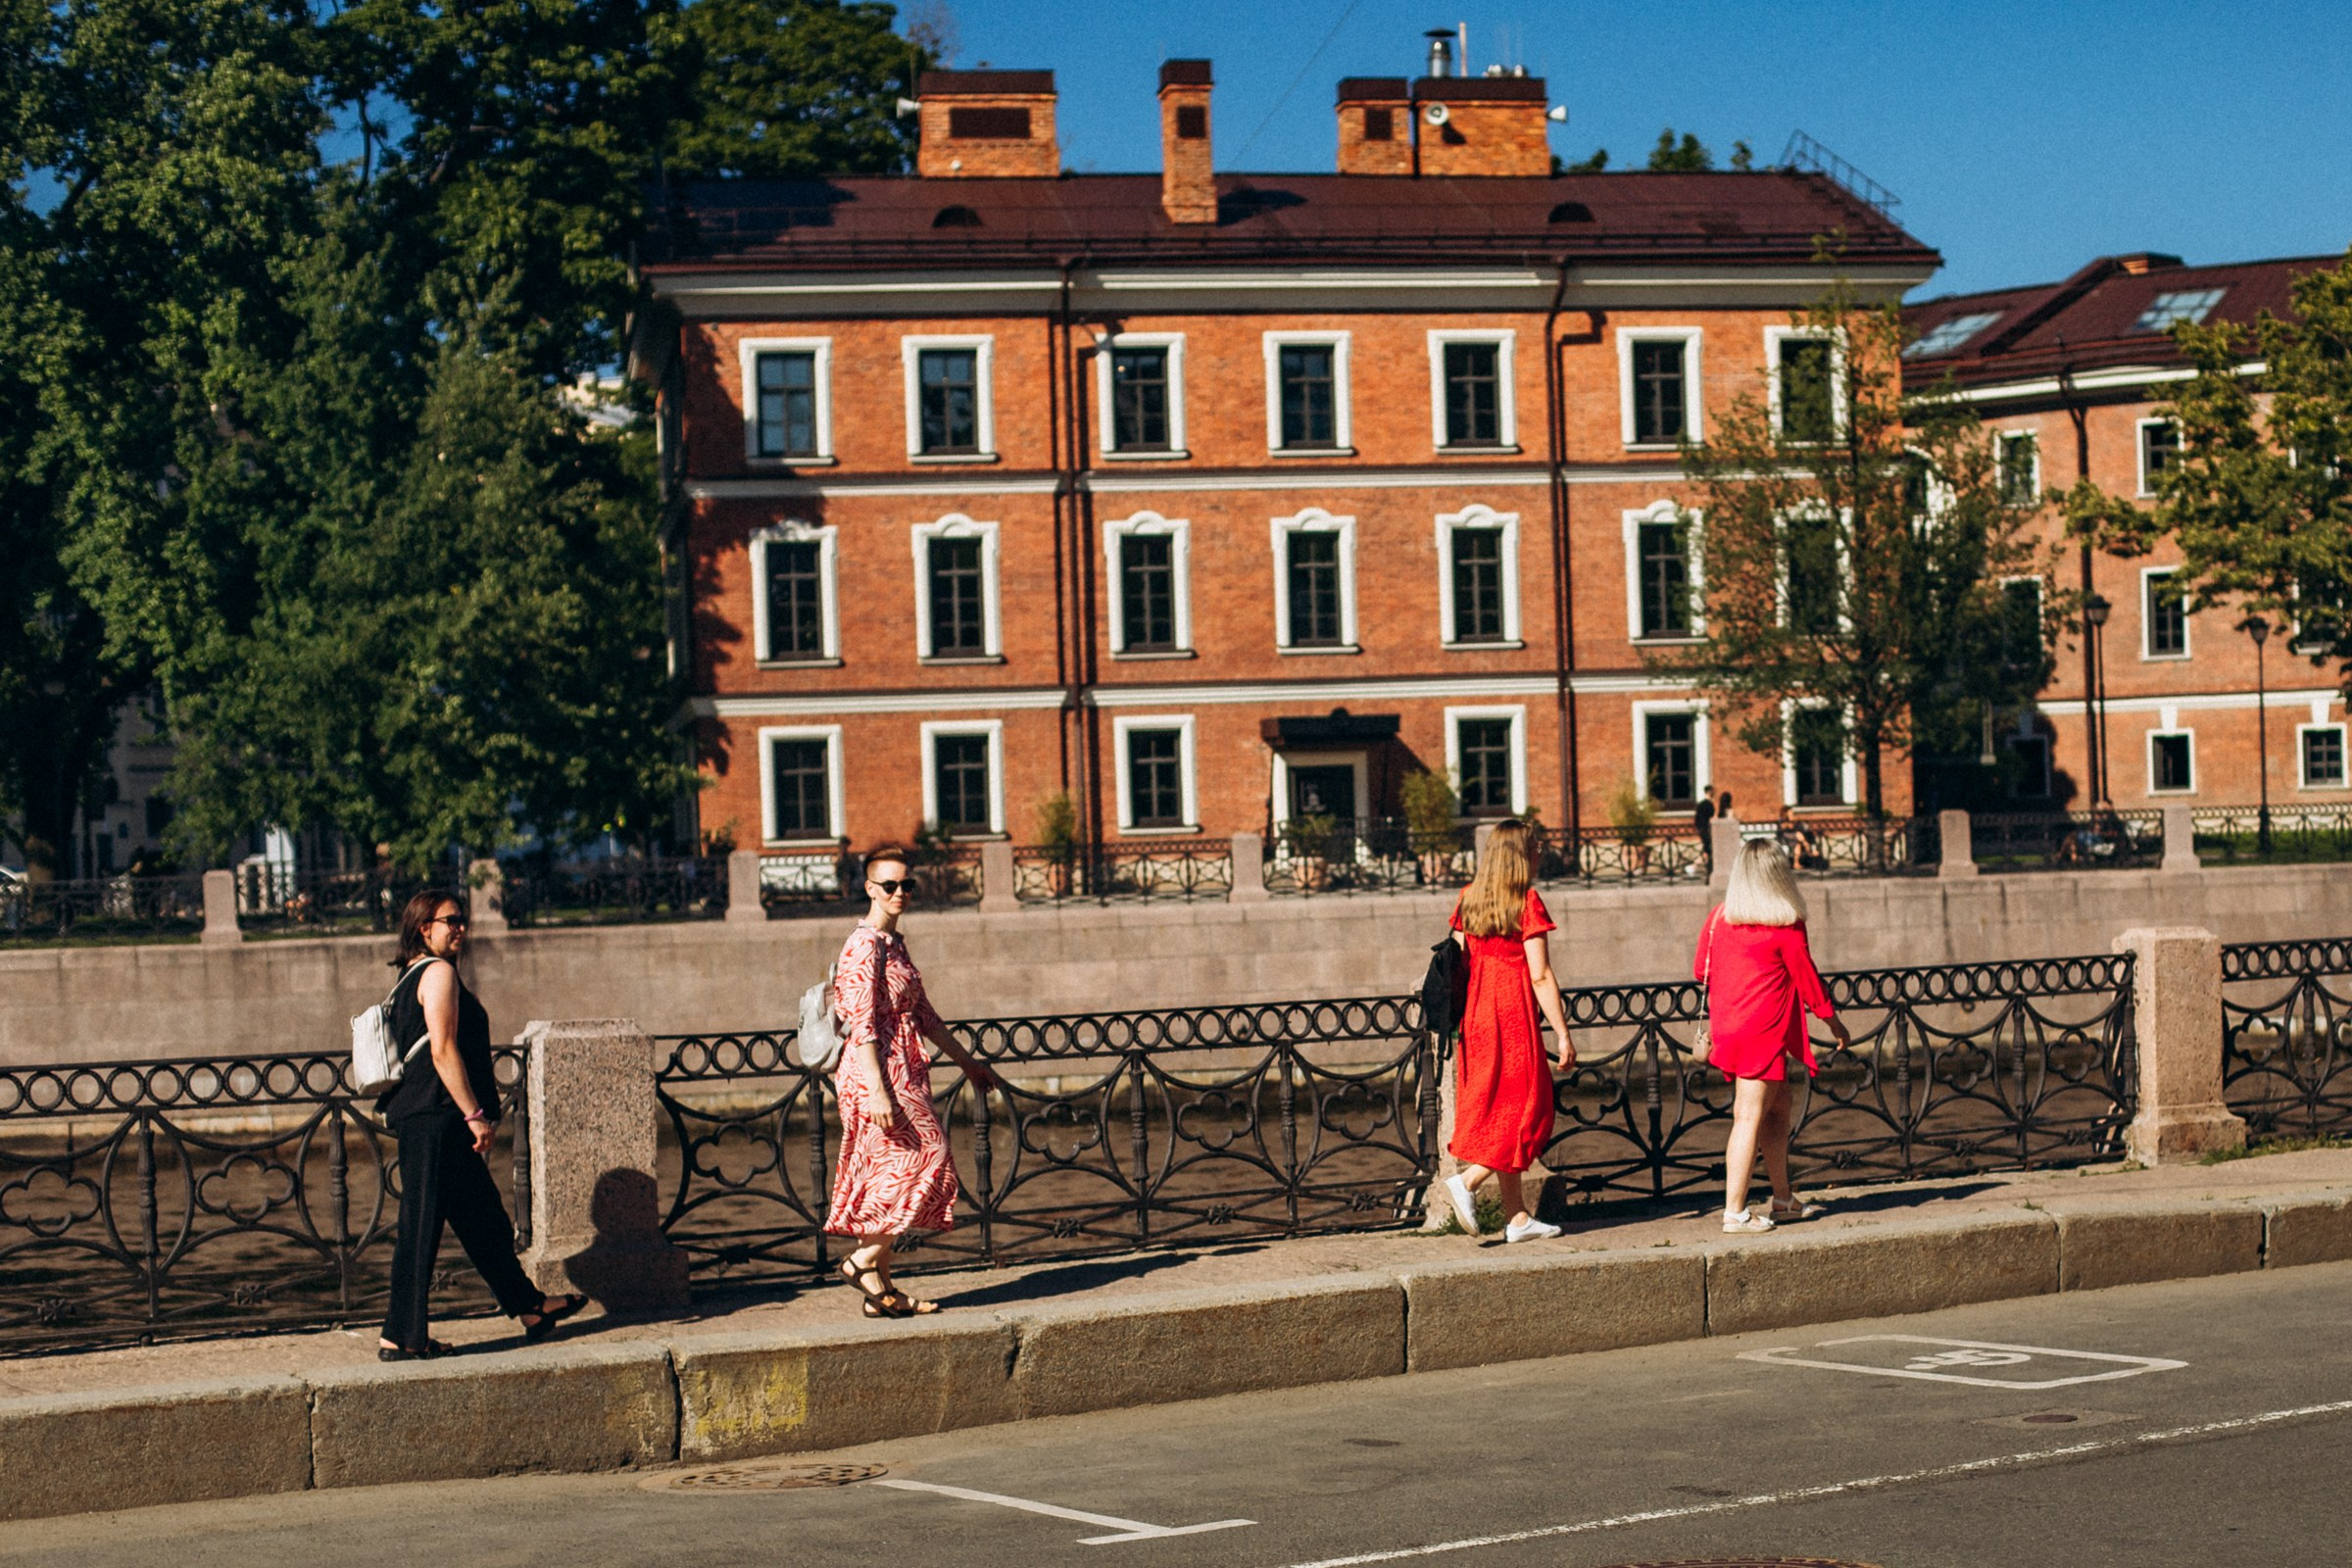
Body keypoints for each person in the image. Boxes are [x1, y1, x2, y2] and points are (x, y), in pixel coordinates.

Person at [379, 890, 585, 1358]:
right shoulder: (438, 973)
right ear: (422, 927)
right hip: (438, 1116)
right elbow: (442, 1049)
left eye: (462, 920)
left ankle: (530, 1306)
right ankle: (401, 1335)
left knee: (482, 1218)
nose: (460, 929)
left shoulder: (408, 979)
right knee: (421, 1225)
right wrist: (475, 1115)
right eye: (449, 921)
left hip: (432, 1116)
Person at [828, 847, 1001, 1317]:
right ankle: (862, 1262)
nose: (901, 892)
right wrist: (878, 1088)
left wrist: (968, 1063)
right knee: (930, 1156)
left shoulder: (893, 943)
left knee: (885, 1179)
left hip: (905, 1068)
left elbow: (925, 1015)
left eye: (908, 885)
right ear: (869, 889)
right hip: (876, 1075)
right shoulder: (863, 945)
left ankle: (881, 1293)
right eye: (890, 885)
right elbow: (859, 1023)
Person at [1697, 841, 1851, 1234]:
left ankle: (1783, 1199)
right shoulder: (1785, 923)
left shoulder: (1720, 916)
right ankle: (1734, 1211)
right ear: (1779, 875)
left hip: (1729, 1025)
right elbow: (1807, 979)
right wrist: (1833, 1023)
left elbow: (1701, 969)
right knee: (1748, 1116)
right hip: (1763, 1030)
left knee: (1777, 1109)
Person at [1440, 819, 1577, 1243]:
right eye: (1534, 846)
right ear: (1521, 855)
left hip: (1476, 1013)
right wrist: (1563, 1033)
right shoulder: (1527, 901)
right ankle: (1468, 1182)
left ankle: (1517, 1218)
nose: (1539, 852)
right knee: (1527, 1110)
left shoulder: (1468, 898)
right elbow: (1540, 975)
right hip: (1511, 1013)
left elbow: (1458, 962)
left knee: (1498, 1107)